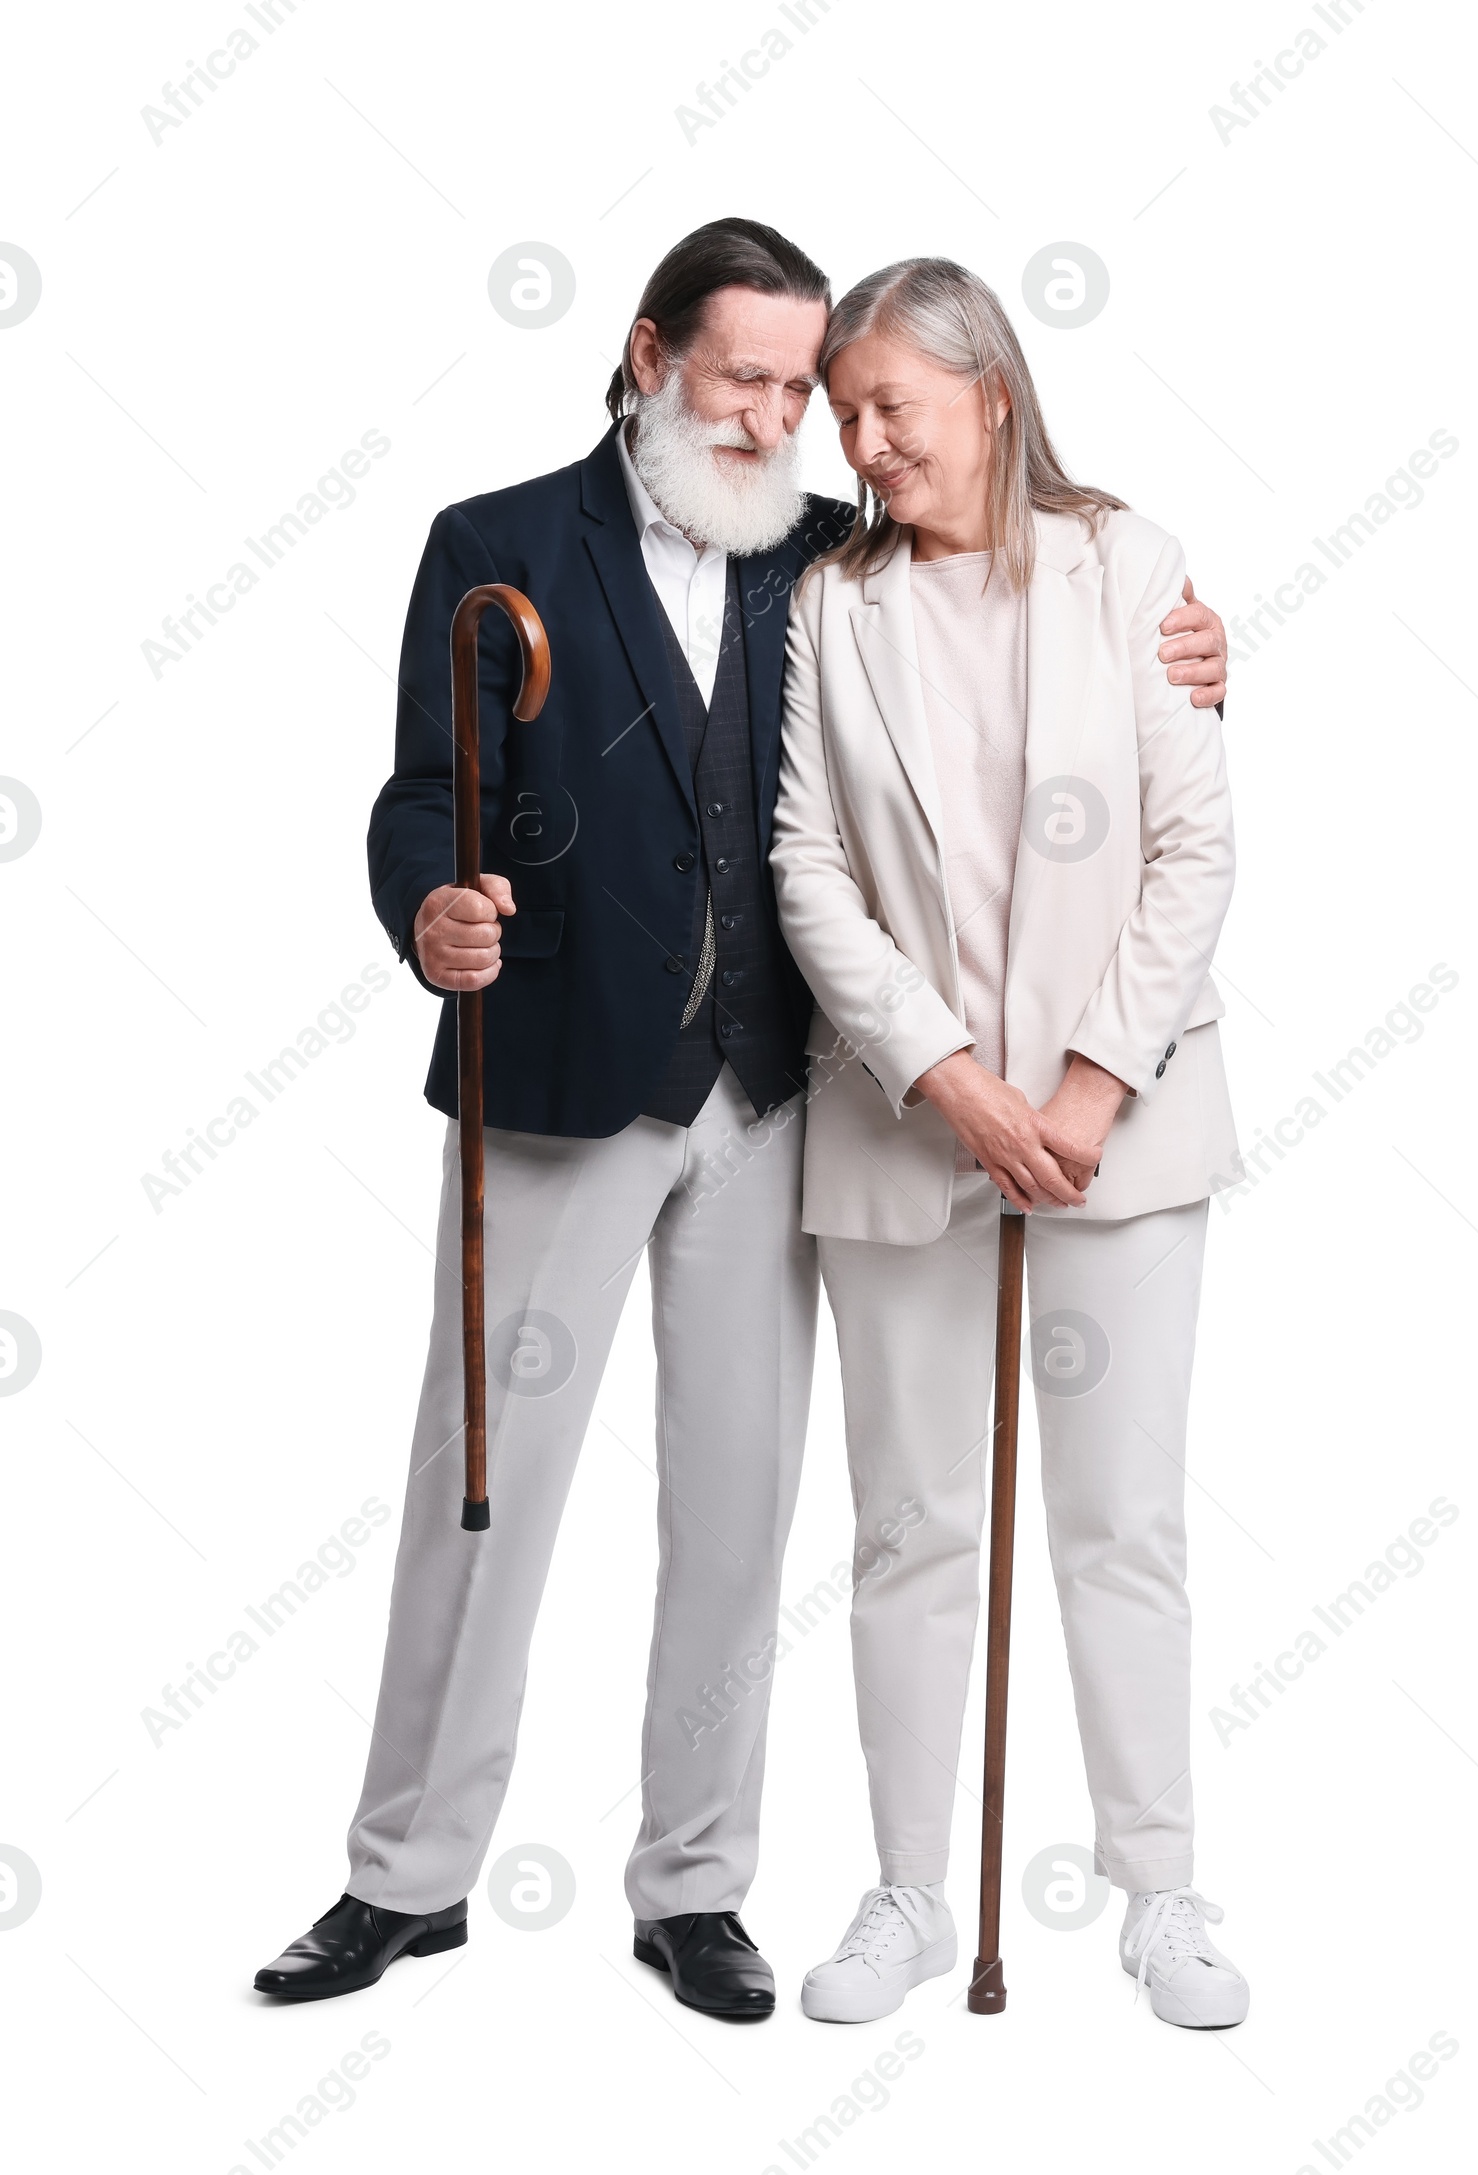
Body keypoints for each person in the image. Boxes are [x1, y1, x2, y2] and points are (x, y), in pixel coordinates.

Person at [253, 222, 1231, 2021]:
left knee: (741, 1499)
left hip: (776, 1095)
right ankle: (406, 1875)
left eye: (807, 389)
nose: (790, 419)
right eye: (752, 381)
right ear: (647, 357)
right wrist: (431, 909)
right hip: (558, 1080)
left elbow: (1012, 611)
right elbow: (417, 799)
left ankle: (695, 1882)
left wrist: (1187, 641)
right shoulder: (499, 548)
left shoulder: (825, 554)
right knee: (485, 1486)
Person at [770, 257, 1248, 2031]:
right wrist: (951, 1077)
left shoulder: (1132, 566)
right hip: (910, 1135)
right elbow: (807, 863)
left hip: (1119, 1132)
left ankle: (1161, 1886)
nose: (863, 442)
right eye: (843, 415)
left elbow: (1194, 846)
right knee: (907, 1526)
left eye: (890, 404)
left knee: (1121, 1517)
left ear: (990, 392)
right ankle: (906, 1890)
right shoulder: (834, 603)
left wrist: (1086, 1090)